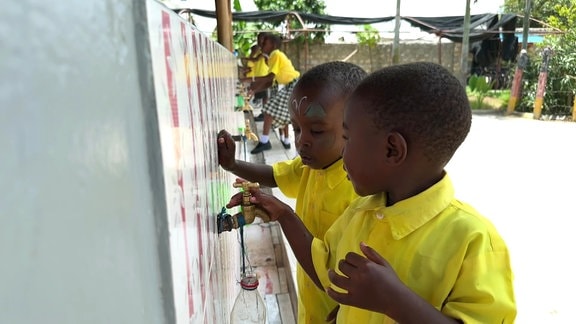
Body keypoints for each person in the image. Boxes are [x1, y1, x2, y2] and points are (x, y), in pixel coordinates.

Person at [227, 62, 517, 323]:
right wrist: (283, 214)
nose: (344, 152)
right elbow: (326, 271)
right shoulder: (361, 213)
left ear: (392, 149)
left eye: (349, 138)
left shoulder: (474, 241)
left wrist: (394, 301)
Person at [219, 61, 368, 324]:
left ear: (354, 128)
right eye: (297, 129)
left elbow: (339, 274)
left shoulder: (359, 191)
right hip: (310, 304)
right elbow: (276, 176)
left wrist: (284, 215)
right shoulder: (311, 165)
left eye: (317, 131)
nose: (302, 141)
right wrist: (232, 165)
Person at [242, 33, 300, 153]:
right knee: (276, 112)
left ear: (273, 45)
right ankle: (281, 140)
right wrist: (254, 90)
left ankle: (265, 141)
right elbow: (270, 82)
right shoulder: (271, 58)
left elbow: (269, 77)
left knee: (269, 110)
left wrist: (250, 79)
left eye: (264, 43)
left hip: (292, 85)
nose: (261, 45)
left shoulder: (275, 55)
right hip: (284, 85)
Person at [243, 32, 269, 109]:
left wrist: (245, 58)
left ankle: (264, 113)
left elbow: (256, 59)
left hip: (265, 76)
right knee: (256, 93)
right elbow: (251, 63)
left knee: (265, 96)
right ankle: (247, 107)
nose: (259, 42)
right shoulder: (257, 49)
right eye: (258, 40)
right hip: (257, 76)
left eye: (260, 40)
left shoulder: (267, 50)